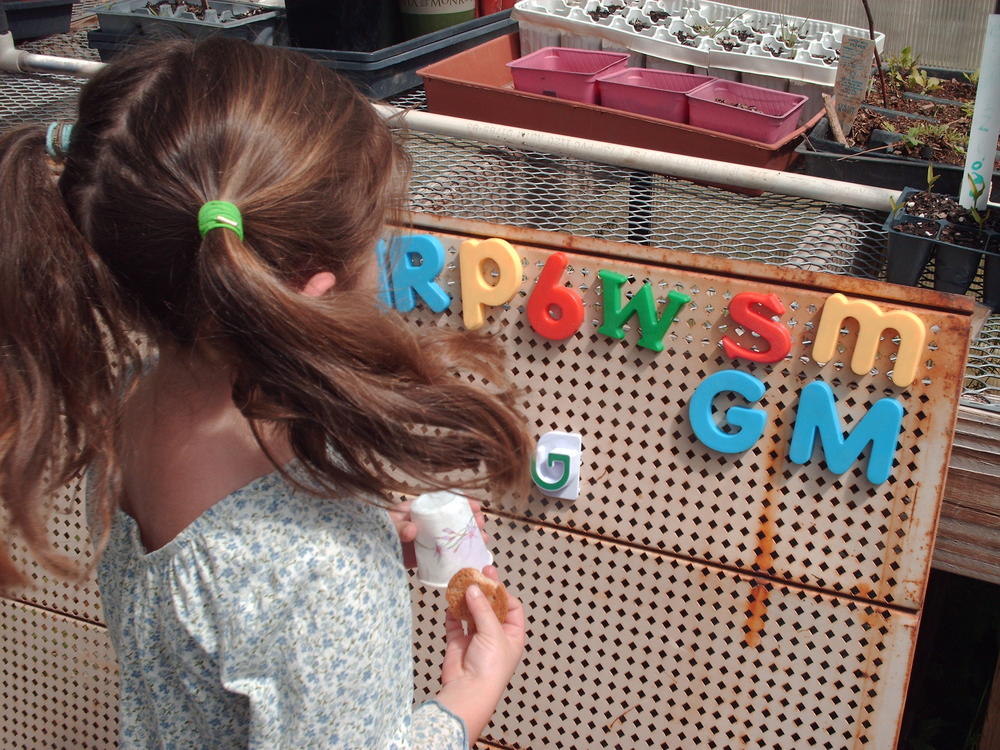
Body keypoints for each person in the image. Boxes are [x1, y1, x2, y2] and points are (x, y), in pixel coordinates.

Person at [0, 37, 531, 748]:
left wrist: (364, 519)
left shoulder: (127, 400)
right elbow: (281, 575)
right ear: (316, 292)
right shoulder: (320, 573)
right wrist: (466, 698)